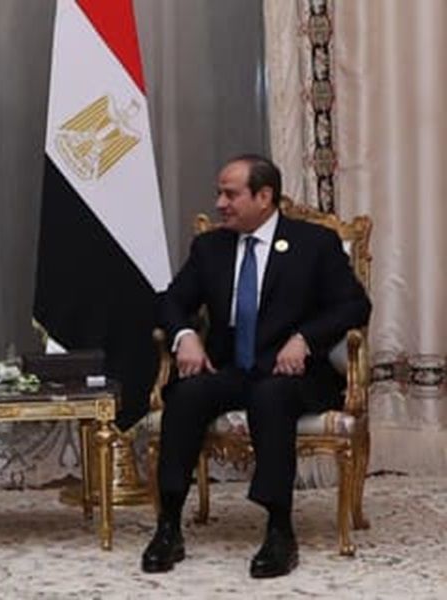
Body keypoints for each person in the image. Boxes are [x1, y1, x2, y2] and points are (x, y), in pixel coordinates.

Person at [142, 155, 371, 578]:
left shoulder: (314, 243)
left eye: (230, 195)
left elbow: (355, 305)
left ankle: (280, 530)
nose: (220, 203)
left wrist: (304, 339)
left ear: (264, 196)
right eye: (219, 194)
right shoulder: (211, 247)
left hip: (295, 374)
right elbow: (171, 302)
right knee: (187, 395)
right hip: (232, 369)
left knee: (271, 396)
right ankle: (168, 525)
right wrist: (185, 335)